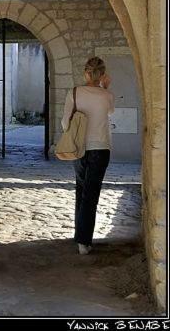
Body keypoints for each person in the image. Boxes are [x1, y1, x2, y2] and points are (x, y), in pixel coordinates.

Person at [62, 56, 115, 255]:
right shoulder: (106, 95)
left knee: (81, 190)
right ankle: (84, 241)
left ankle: (80, 236)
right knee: (91, 195)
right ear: (102, 74)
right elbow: (110, 113)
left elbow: (65, 124)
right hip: (100, 149)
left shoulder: (74, 93)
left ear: (85, 72)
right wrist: (105, 87)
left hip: (79, 148)